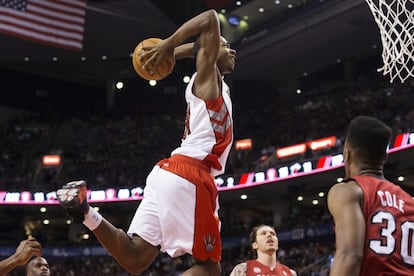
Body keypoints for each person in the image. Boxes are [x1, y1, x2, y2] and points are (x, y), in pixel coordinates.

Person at [56, 9, 236, 276]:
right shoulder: (209, 79)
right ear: (209, 53)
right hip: (192, 176)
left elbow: (200, 45)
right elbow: (210, 19)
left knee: (136, 258)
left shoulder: (210, 80)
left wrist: (170, 54)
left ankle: (85, 213)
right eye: (225, 45)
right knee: (209, 268)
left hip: (166, 174)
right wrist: (168, 44)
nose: (232, 50)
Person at [327, 115, 414, 275]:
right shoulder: (410, 202)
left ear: (347, 154)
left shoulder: (349, 191)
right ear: (385, 158)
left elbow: (350, 257)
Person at [230, 224, 297, 276]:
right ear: (255, 245)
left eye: (273, 234)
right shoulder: (243, 269)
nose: (269, 235)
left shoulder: (290, 273)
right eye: (263, 233)